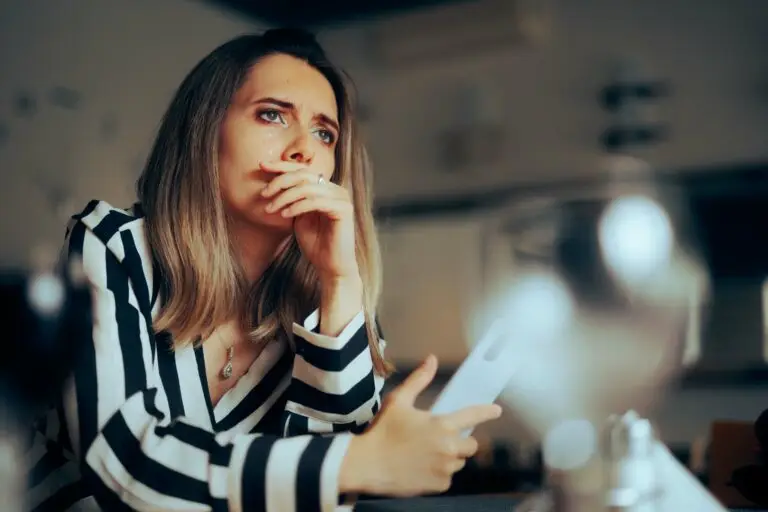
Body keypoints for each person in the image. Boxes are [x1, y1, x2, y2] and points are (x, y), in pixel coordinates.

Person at [25, 28, 502, 511]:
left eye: (324, 133)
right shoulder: (114, 246)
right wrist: (354, 463)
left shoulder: (336, 307)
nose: (304, 150)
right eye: (272, 115)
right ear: (205, 131)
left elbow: (325, 501)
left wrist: (339, 284)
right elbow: (122, 464)